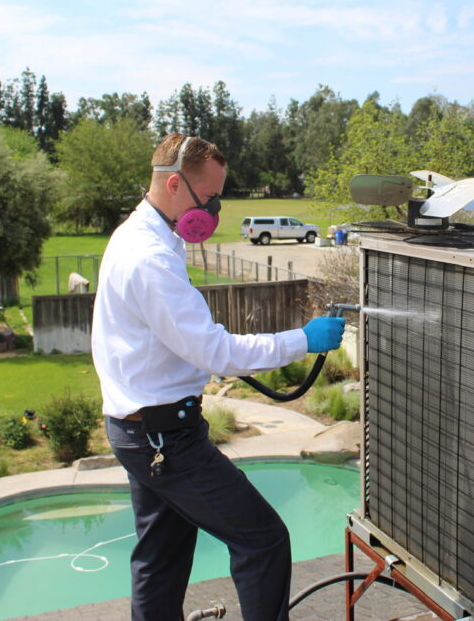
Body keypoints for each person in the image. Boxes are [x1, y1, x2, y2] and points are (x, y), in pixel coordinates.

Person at [91, 134, 345, 621]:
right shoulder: (151, 258)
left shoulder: (141, 236)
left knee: (159, 560)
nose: (212, 209)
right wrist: (303, 340)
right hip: (165, 436)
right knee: (263, 540)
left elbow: (183, 342)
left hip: (141, 427)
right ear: (173, 184)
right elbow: (215, 350)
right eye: (208, 198)